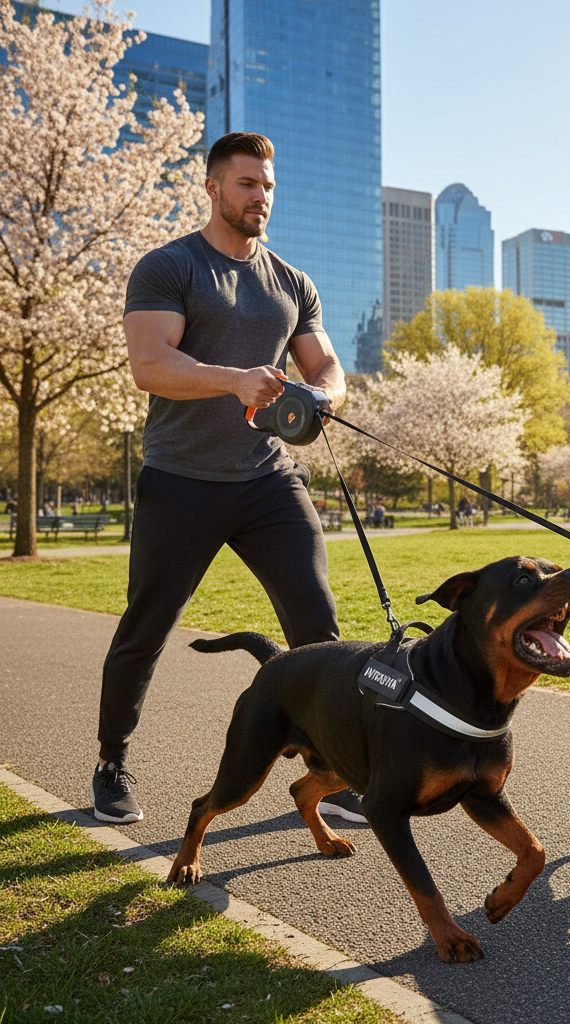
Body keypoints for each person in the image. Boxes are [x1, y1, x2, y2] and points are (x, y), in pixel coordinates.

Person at [91, 132, 366, 826]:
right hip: (180, 479)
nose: (260, 197)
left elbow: (328, 366)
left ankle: (329, 767)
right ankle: (111, 762)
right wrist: (235, 379)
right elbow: (150, 364)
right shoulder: (169, 266)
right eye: (246, 184)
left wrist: (325, 397)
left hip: (267, 479)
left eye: (268, 186)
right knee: (146, 627)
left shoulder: (291, 282)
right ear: (213, 187)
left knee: (316, 620)